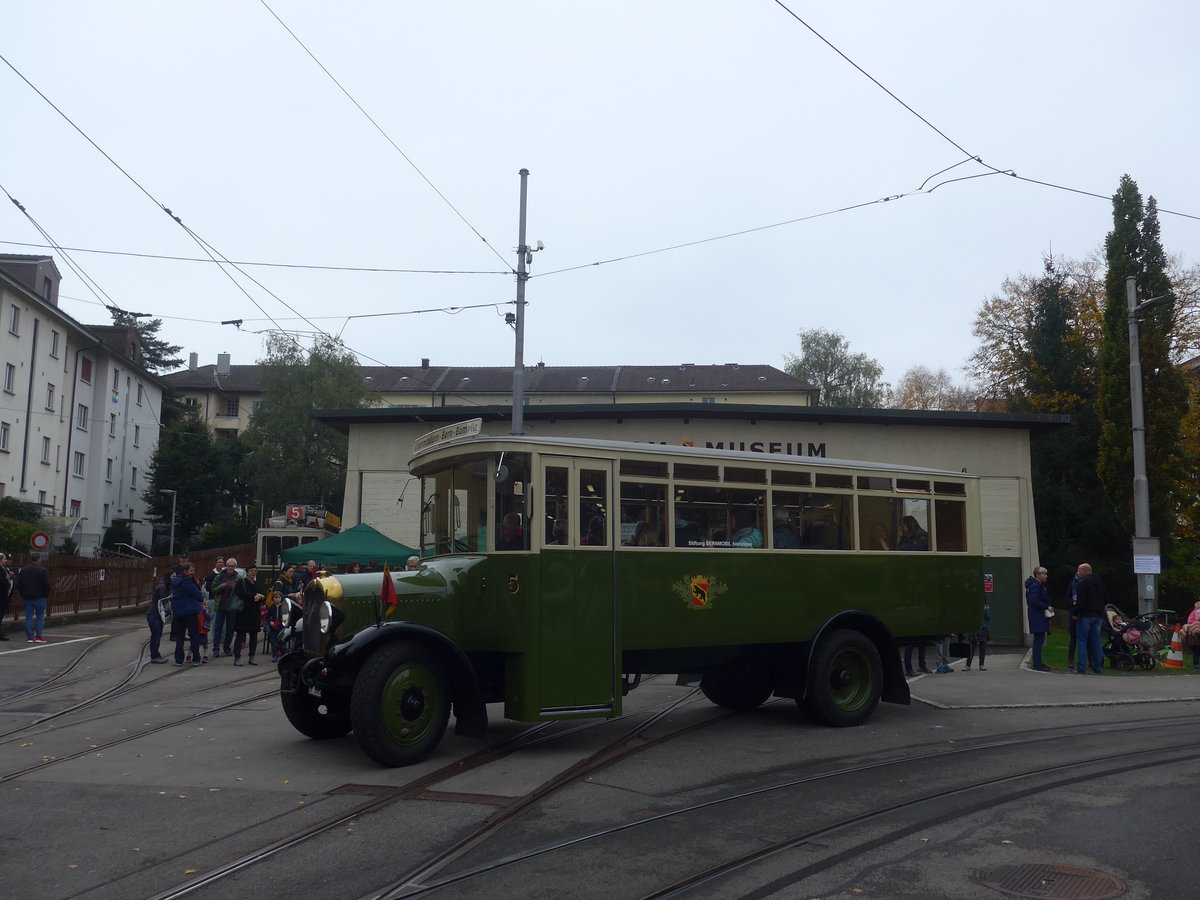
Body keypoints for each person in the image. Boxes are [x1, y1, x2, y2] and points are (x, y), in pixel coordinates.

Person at [1072, 562, 1107, 674]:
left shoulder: (1083, 583)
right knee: (1096, 640)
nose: (1077, 573)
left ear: (1085, 571)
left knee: (1082, 641)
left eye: (1079, 570)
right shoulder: (1101, 583)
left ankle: (1082, 666)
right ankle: (1098, 666)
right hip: (1098, 615)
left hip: (1085, 616)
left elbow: (1080, 601)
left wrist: (1075, 612)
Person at [170, 562, 205, 666]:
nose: (192, 573)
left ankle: (178, 659)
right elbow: (198, 595)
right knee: (194, 636)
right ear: (185, 571)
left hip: (178, 612)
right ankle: (196, 658)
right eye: (191, 571)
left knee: (180, 636)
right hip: (190, 612)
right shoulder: (188, 582)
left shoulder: (175, 581)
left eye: (193, 571)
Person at [232, 564, 265, 666]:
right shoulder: (241, 582)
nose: (254, 573)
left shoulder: (257, 583)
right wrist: (253, 596)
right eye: (251, 571)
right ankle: (237, 657)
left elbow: (263, 594)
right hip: (243, 613)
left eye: (255, 571)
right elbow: (240, 594)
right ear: (247, 572)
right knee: (240, 635)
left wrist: (261, 596)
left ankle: (252, 657)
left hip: (254, 613)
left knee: (254, 636)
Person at [15, 551, 52, 643]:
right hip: (40, 597)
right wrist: (45, 595)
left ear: (31, 560)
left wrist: (23, 594)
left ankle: (30, 637)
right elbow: (47, 584)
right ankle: (39, 636)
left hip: (28, 597)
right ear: (39, 560)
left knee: (28, 616)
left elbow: (18, 584)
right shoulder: (43, 570)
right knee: (40, 617)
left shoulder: (24, 570)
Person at [209, 557, 242, 658]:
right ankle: (216, 648)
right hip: (221, 606)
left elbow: (241, 592)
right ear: (226, 566)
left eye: (232, 566)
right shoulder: (219, 576)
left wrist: (234, 587)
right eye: (228, 566)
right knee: (218, 627)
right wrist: (221, 587)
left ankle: (227, 647)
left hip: (232, 607)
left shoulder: (239, 578)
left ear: (235, 567)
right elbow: (213, 589)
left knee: (230, 628)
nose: (230, 568)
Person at [1024, 565, 1052, 671]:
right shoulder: (1036, 586)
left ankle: (1038, 662)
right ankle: (1037, 663)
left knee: (1040, 639)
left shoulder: (1039, 585)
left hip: (1038, 615)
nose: (1046, 576)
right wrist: (1046, 607)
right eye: (1044, 574)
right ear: (1037, 575)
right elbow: (1033, 600)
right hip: (1037, 616)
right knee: (1038, 640)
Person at [146, 571, 171, 663]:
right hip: (155, 614)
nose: (175, 578)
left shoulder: (164, 586)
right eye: (173, 576)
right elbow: (164, 601)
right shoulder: (162, 587)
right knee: (156, 635)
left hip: (155, 614)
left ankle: (156, 654)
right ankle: (155, 656)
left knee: (156, 635)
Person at [963, 602, 991, 671]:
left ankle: (981, 664)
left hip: (983, 628)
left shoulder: (986, 606)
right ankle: (967, 665)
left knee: (982, 647)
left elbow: (988, 617)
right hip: (974, 628)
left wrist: (985, 611)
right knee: (971, 647)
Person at [1065, 571, 1080, 670]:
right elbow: (1067, 598)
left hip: (1083, 613)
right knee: (1074, 638)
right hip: (1073, 612)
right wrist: (1073, 602)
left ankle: (1089, 660)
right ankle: (1070, 660)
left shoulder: (1087, 584)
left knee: (1085, 639)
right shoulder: (1072, 584)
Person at [0, 552, 13, 641]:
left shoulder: (3, 568)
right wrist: (8, 582)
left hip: (4, 595)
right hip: (1, 594)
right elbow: (3, 582)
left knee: (1, 614)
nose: (5, 561)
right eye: (4, 559)